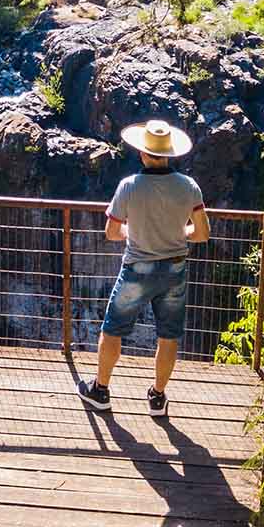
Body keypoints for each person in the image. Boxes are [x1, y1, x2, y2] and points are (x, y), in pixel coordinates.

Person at [77, 120, 209, 417]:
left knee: (112, 330)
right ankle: (158, 398)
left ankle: (100, 390)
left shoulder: (130, 186)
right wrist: (178, 233)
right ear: (170, 153)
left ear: (142, 153)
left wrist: (133, 234)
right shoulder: (189, 187)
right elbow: (201, 233)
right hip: (175, 270)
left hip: (137, 268)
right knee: (169, 335)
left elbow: (111, 232)